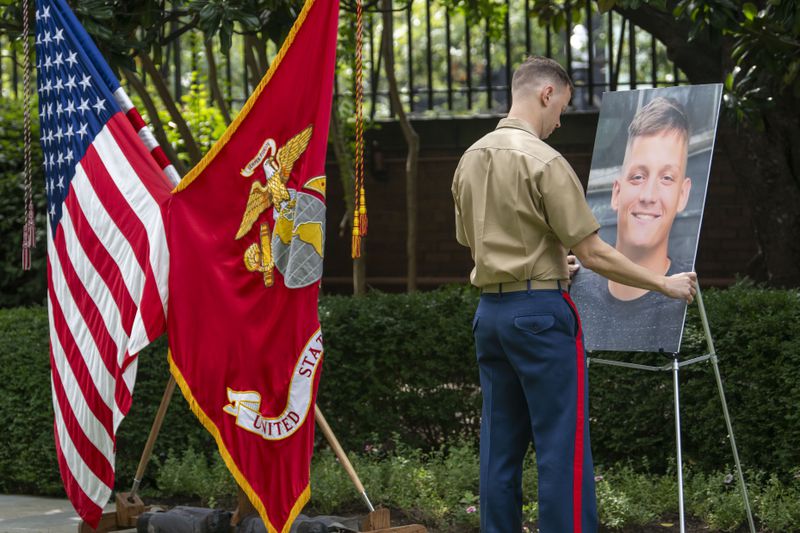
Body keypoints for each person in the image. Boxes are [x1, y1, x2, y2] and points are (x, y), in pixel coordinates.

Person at [451, 57, 697, 533]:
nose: (561, 120)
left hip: (491, 315)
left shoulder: (470, 158)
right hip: (540, 316)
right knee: (562, 448)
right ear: (546, 94)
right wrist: (663, 283)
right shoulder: (544, 160)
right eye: (561, 107)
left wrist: (542, 260)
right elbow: (594, 253)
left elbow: (471, 240)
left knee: (498, 449)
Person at [571, 97, 693, 353]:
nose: (648, 196)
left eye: (667, 178)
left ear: (683, 195)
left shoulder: (683, 291)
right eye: (638, 177)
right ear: (616, 192)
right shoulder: (577, 281)